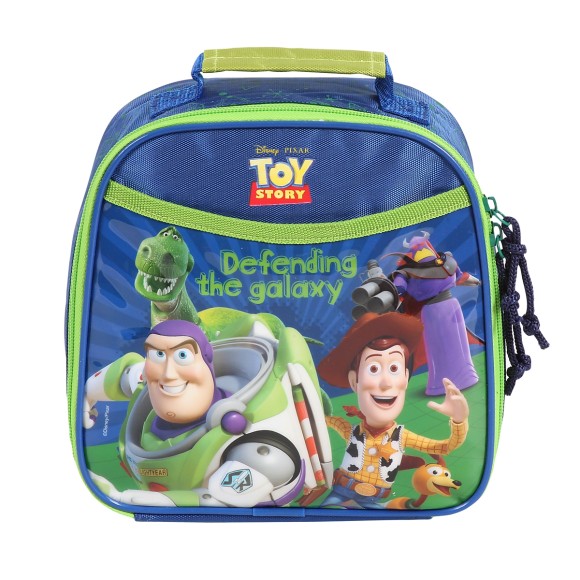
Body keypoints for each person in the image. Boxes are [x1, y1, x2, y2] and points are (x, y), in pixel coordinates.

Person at [317, 311, 469, 509]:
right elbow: (326, 421)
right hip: (340, 492)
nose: (386, 383)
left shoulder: (401, 437)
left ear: (405, 377)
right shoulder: (351, 431)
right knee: (329, 510)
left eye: (394, 369)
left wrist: (459, 420)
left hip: (373, 501)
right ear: (354, 381)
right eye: (373, 369)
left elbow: (445, 447)